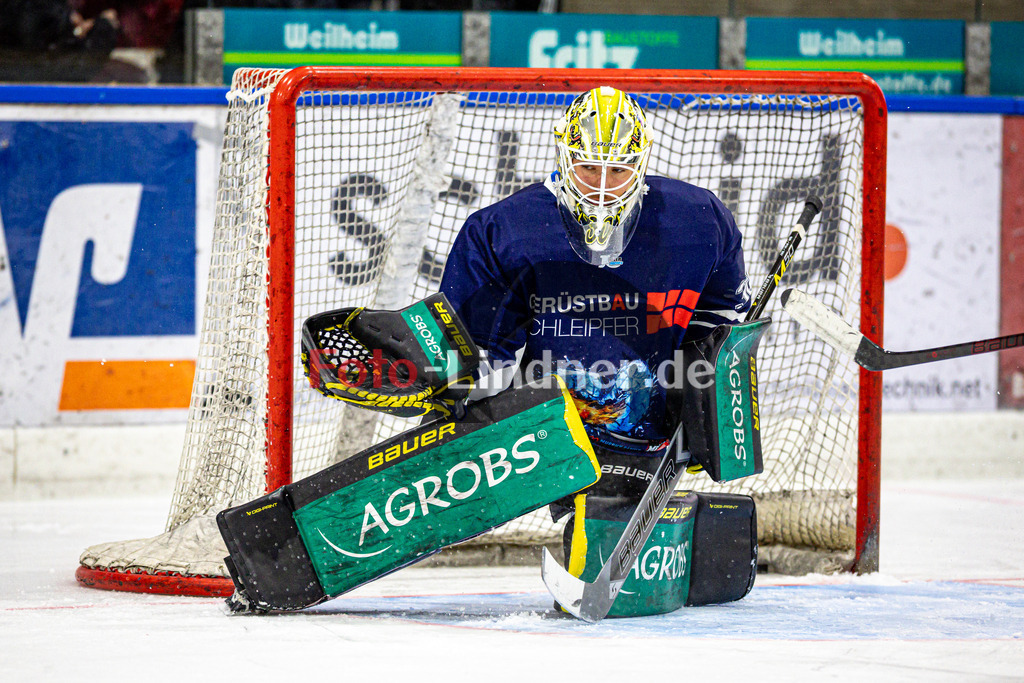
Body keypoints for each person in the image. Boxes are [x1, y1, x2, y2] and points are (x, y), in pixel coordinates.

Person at [440, 85, 750, 467]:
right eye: (588, 167)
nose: (601, 188)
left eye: (618, 170)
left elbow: (723, 325)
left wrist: (707, 414)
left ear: (640, 164)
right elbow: (482, 361)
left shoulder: (701, 222)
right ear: (564, 156)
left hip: (647, 446)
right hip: (533, 449)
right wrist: (444, 384)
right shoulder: (501, 232)